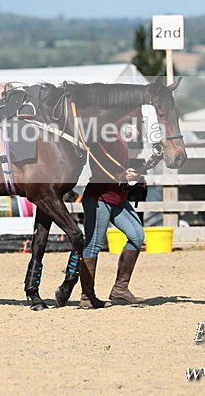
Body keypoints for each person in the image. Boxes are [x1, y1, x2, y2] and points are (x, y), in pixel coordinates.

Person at [80, 122, 146, 308]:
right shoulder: (103, 133)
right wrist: (123, 174)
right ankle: (86, 296)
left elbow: (117, 163)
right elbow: (99, 161)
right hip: (99, 196)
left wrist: (130, 172)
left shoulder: (118, 133)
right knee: (93, 244)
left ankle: (120, 290)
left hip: (118, 196)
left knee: (137, 236)